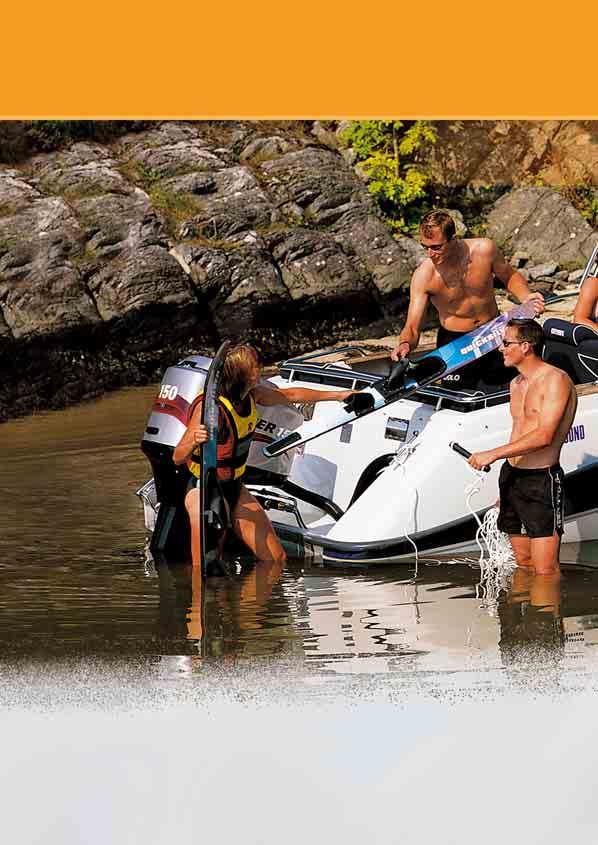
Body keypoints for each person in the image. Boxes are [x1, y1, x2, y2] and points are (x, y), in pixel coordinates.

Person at [172, 344, 356, 568]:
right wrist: (193, 441)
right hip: (204, 489)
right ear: (242, 374)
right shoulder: (211, 409)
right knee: (206, 567)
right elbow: (178, 457)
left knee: (276, 560)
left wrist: (339, 395)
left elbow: (290, 394)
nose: (260, 368)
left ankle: (247, 603)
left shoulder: (254, 395)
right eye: (255, 366)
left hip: (234, 488)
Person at [468, 319, 577, 575]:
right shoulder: (516, 384)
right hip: (512, 477)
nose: (500, 349)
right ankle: (521, 615)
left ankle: (547, 615)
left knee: (545, 571)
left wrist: (492, 453)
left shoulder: (555, 380)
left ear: (526, 346)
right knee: (523, 564)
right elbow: (520, 432)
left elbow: (544, 436)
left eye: (506, 343)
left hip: (541, 480)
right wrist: (506, 488)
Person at [391, 210, 545, 390]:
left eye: (436, 247)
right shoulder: (424, 276)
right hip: (456, 344)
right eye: (425, 247)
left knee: (513, 386)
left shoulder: (484, 250)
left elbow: (509, 276)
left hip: (494, 332)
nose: (430, 254)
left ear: (453, 239)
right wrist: (404, 344)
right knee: (459, 400)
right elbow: (412, 326)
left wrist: (526, 297)